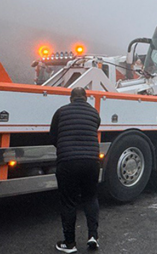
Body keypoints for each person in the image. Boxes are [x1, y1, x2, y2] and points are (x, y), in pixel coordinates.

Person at [50, 87, 101, 253]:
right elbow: (94, 130)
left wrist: (65, 148)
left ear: (70, 99)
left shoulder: (61, 111)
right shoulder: (94, 113)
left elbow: (53, 135)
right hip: (92, 162)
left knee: (69, 201)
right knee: (90, 197)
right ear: (86, 98)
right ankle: (93, 236)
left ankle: (69, 243)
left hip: (68, 162)